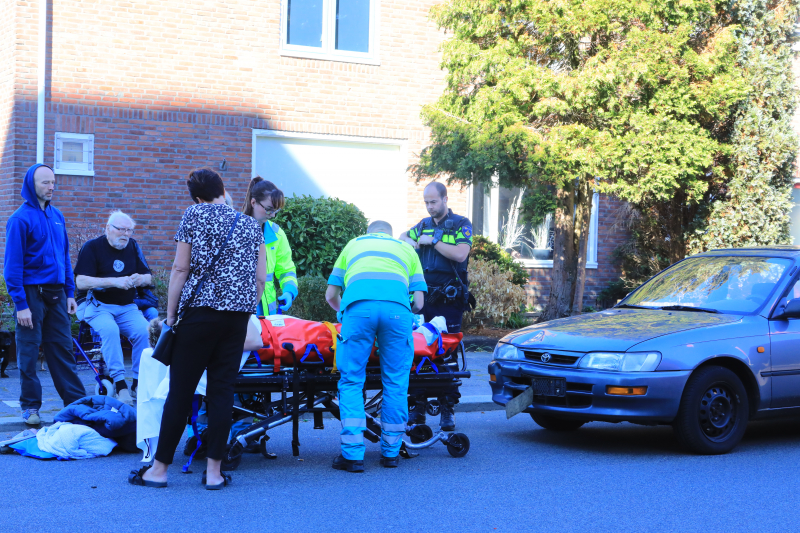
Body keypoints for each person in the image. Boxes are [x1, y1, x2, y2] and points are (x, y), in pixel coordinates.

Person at [130, 168, 265, 490]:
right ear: (222, 189)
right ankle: (215, 473)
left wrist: (172, 316)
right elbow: (260, 277)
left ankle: (159, 470)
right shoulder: (250, 224)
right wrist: (245, 309)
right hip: (236, 318)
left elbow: (180, 268)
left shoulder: (194, 214)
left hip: (198, 315)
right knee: (221, 392)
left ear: (198, 197)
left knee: (180, 392)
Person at [325, 220, 426, 472]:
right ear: (389, 234)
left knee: (351, 380)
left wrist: (343, 313)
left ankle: (352, 455)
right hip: (397, 315)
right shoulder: (406, 249)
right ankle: (391, 453)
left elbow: (330, 294)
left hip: (358, 311)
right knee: (395, 382)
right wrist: (405, 312)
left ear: (369, 233)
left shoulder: (354, 245)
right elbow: (420, 303)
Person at [3, 164, 86, 425]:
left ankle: (76, 405)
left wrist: (70, 292)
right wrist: (21, 305)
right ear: (31, 184)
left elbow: (64, 257)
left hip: (57, 295)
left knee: (62, 350)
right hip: (30, 296)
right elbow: (12, 267)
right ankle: (30, 408)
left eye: (53, 182)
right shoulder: (20, 219)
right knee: (27, 353)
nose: (51, 187)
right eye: (45, 183)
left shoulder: (57, 215)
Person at [399, 182, 474, 431]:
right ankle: (417, 409)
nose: (430, 207)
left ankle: (447, 410)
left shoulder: (461, 223)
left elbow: (461, 254)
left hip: (449, 302)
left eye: (433, 202)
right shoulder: (422, 224)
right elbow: (401, 240)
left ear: (444, 199)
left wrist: (433, 242)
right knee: (418, 352)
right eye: (426, 202)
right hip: (423, 301)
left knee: (447, 357)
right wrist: (414, 243)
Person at [74, 211, 152, 406]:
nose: (125, 234)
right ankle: (119, 385)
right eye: (121, 229)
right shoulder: (92, 247)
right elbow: (81, 281)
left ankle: (138, 382)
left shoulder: (133, 246)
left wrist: (139, 279)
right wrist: (114, 282)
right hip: (97, 305)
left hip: (126, 306)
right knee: (110, 330)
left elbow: (148, 277)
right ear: (108, 228)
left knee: (145, 331)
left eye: (129, 230)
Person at [242, 176, 298, 316]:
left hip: (267, 313)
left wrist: (289, 292)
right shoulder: (235, 231)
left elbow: (286, 270)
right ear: (253, 202)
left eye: (275, 211)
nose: (272, 215)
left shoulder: (277, 234)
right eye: (268, 209)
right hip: (239, 310)